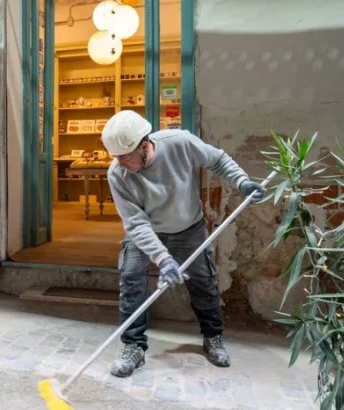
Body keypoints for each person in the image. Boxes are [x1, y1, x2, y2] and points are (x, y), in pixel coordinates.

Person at [101, 110, 265, 377]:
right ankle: (133, 346)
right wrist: (163, 258)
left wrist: (242, 182)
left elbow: (218, 159)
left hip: (188, 228)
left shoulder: (180, 143)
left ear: (144, 146)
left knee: (204, 281)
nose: (120, 163)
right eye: (116, 157)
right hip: (146, 232)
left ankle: (213, 337)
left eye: (125, 156)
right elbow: (136, 224)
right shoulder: (117, 174)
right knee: (131, 279)